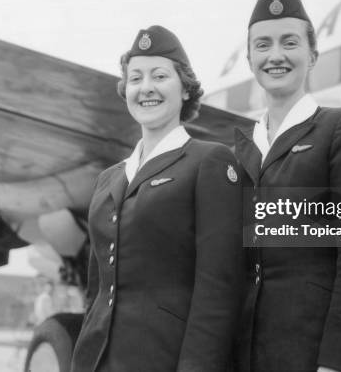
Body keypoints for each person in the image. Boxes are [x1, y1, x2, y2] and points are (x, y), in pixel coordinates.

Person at [70, 25, 242, 372]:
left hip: (165, 359)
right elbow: (97, 290)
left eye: (159, 76)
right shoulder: (109, 179)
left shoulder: (209, 161)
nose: (146, 87)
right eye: (135, 79)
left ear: (185, 89)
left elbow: (218, 288)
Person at [234, 0, 341, 372]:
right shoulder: (240, 153)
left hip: (322, 356)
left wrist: (337, 362)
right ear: (250, 58)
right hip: (258, 355)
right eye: (263, 45)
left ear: (312, 54)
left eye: (290, 42)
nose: (275, 56)